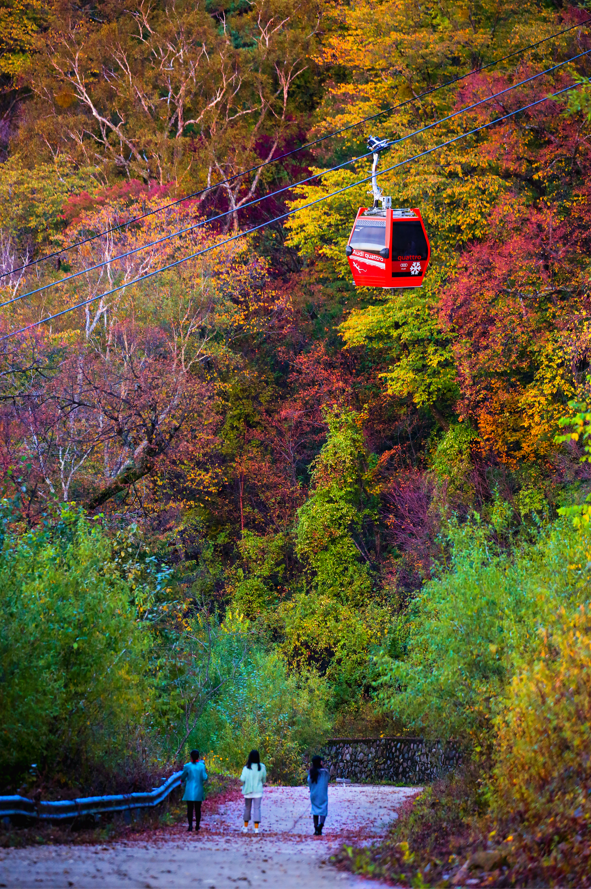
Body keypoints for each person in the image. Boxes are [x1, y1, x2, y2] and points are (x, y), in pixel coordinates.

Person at [240, 749, 267, 834]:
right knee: (257, 809)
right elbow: (264, 780)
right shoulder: (262, 767)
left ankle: (245, 827)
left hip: (248, 791)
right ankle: (256, 828)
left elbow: (242, 779)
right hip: (258, 792)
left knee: (247, 809)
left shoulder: (246, 768)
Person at [180, 749, 208, 832]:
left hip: (189, 790)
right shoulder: (202, 766)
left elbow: (182, 777)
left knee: (190, 808)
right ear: (198, 756)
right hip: (198, 790)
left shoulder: (187, 766)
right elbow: (204, 777)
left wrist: (183, 781)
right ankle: (197, 826)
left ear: (191, 756)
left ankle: (190, 826)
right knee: (198, 808)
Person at [308, 755, 329, 835]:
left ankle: (316, 827)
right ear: (320, 762)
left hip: (314, 794)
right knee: (323, 810)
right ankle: (321, 825)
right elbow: (327, 780)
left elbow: (309, 782)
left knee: (315, 811)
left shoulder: (311, 773)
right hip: (322, 795)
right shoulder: (324, 773)